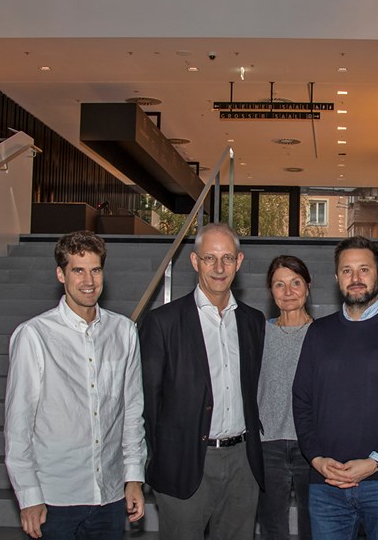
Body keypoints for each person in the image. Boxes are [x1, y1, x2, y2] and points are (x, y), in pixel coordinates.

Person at [3, 230, 146, 539]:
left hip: (109, 495)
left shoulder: (123, 332)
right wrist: (29, 496)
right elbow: (19, 424)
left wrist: (133, 477)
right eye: (78, 270)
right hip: (56, 498)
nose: (89, 280)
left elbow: (132, 412)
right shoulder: (34, 335)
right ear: (61, 274)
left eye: (95, 270)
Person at [292, 236, 378, 540]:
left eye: (364, 270)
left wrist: (374, 462)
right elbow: (301, 400)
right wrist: (315, 457)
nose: (355, 278)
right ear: (336, 278)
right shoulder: (318, 332)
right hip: (326, 482)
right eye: (346, 271)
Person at [139, 222, 266, 540]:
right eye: (210, 258)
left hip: (242, 464)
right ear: (195, 262)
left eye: (227, 258)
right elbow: (147, 403)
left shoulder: (253, 322)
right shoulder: (162, 323)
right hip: (184, 463)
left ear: (239, 262)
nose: (219, 267)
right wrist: (160, 457)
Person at [257, 255, 314, 540]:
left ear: (308, 287)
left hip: (312, 446)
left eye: (295, 283)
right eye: (280, 285)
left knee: (313, 526)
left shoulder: (323, 334)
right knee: (272, 528)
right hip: (268, 446)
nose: (288, 292)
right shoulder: (259, 333)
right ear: (271, 290)